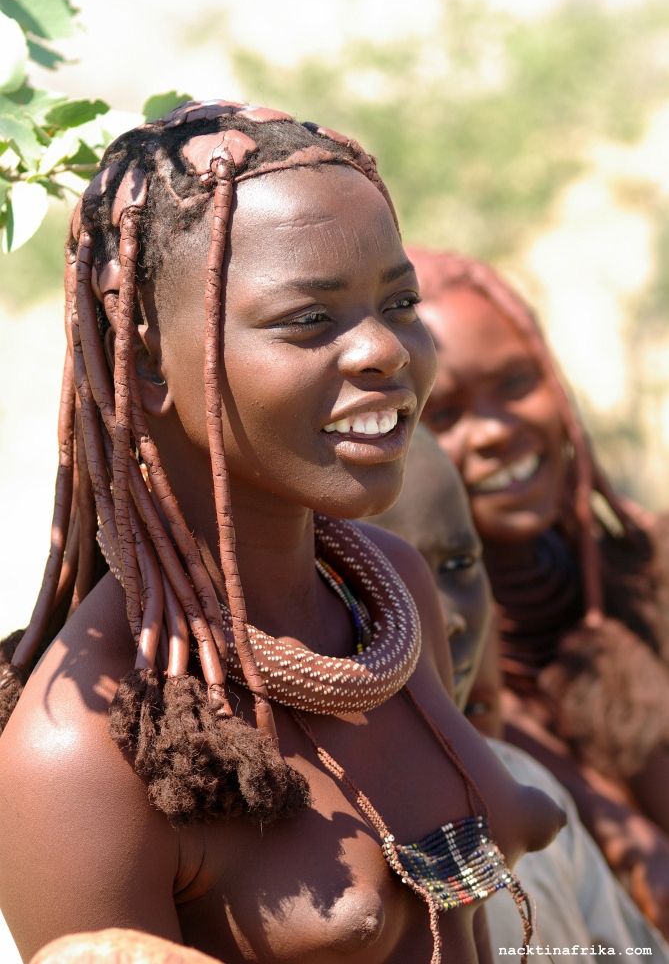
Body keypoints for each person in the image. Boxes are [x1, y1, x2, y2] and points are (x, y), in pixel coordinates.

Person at [0, 101, 564, 964]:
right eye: (309, 318)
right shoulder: (81, 752)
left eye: (400, 300)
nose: (385, 350)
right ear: (146, 357)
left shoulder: (390, 594)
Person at [408, 245, 669, 934]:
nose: (495, 431)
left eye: (517, 382)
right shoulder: (442, 657)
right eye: (446, 415)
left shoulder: (650, 569)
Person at [370, 423, 669, 959]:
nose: (452, 619)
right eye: (384, 578)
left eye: (460, 565)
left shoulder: (524, 786)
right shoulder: (292, 838)